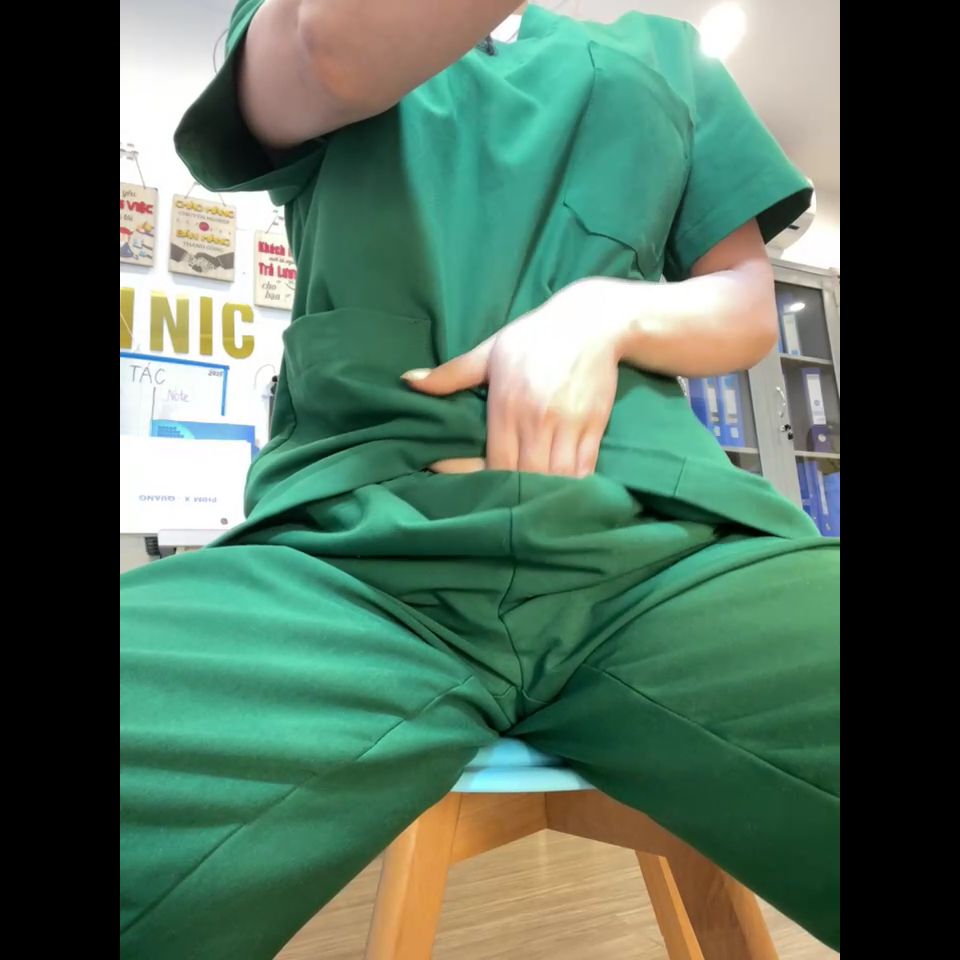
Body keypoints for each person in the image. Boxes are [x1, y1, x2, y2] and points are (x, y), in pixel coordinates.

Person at [119, 2, 840, 957]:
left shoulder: (670, 55)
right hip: (351, 560)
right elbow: (331, 57)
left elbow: (747, 302)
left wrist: (606, 315)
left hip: (666, 551)